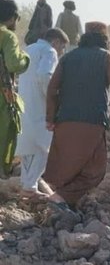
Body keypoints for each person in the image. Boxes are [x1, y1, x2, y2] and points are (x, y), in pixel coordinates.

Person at [44, 22, 110, 208]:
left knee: (65, 164)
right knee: (96, 170)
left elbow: (52, 89)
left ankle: (61, 202)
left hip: (65, 119)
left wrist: (50, 117)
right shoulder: (107, 58)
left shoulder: (67, 58)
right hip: (92, 121)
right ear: (105, 39)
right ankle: (60, 198)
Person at [16, 28, 69, 197]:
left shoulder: (29, 49)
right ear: (56, 42)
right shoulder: (49, 51)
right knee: (46, 146)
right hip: (39, 106)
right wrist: (53, 97)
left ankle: (27, 183)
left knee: (28, 146)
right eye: (62, 48)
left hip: (24, 103)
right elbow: (44, 75)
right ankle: (30, 185)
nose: (61, 52)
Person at [0, 0, 30, 177]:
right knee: (6, 134)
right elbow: (13, 64)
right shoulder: (7, 36)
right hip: (3, 95)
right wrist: (25, 59)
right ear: (12, 18)